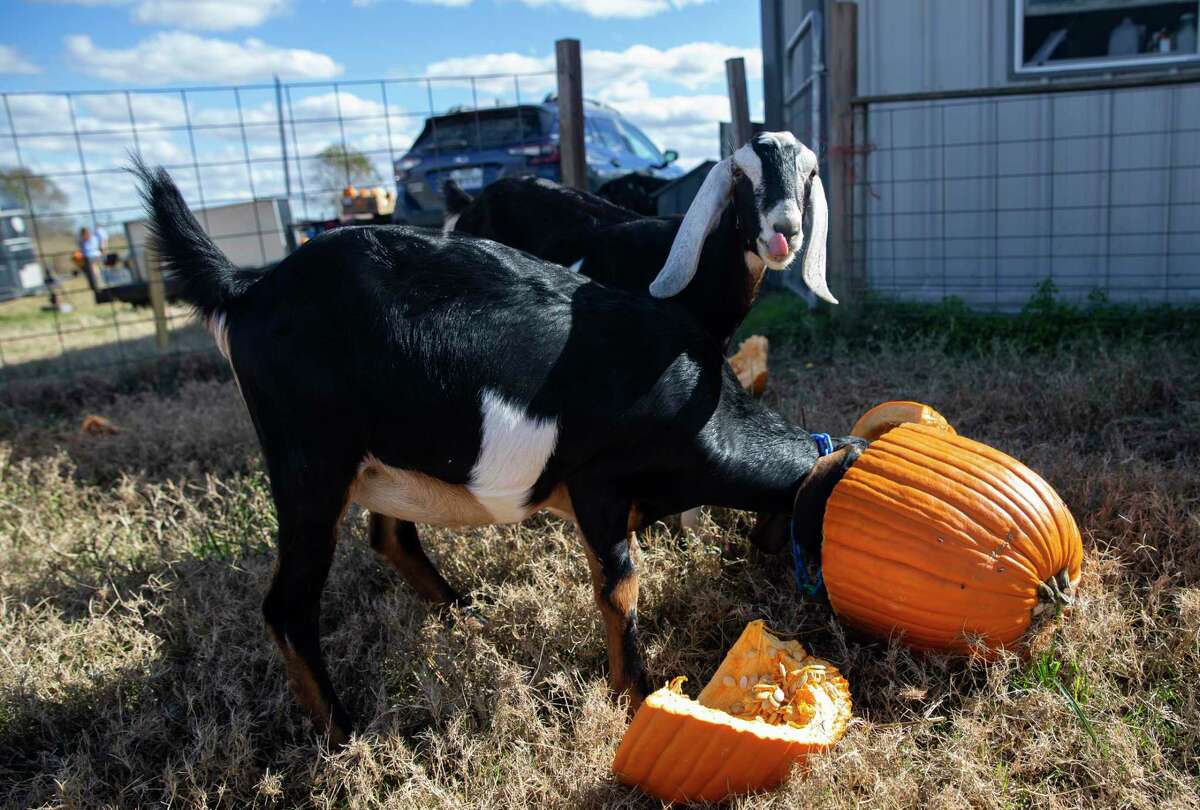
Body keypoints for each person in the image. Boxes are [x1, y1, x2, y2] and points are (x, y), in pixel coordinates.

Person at [77, 224, 108, 293]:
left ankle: (98, 284)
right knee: (91, 271)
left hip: (94, 256)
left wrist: (103, 251)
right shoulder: (82, 241)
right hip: (88, 257)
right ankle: (95, 285)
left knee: (95, 270)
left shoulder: (94, 237)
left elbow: (103, 239)